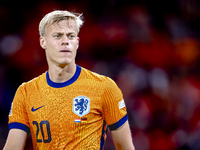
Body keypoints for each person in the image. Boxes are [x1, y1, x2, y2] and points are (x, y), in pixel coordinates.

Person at [3, 10, 135, 150]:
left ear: (77, 43)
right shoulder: (26, 92)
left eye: (70, 36)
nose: (65, 41)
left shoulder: (104, 87)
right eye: (58, 36)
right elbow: (13, 146)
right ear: (43, 42)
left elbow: (125, 147)